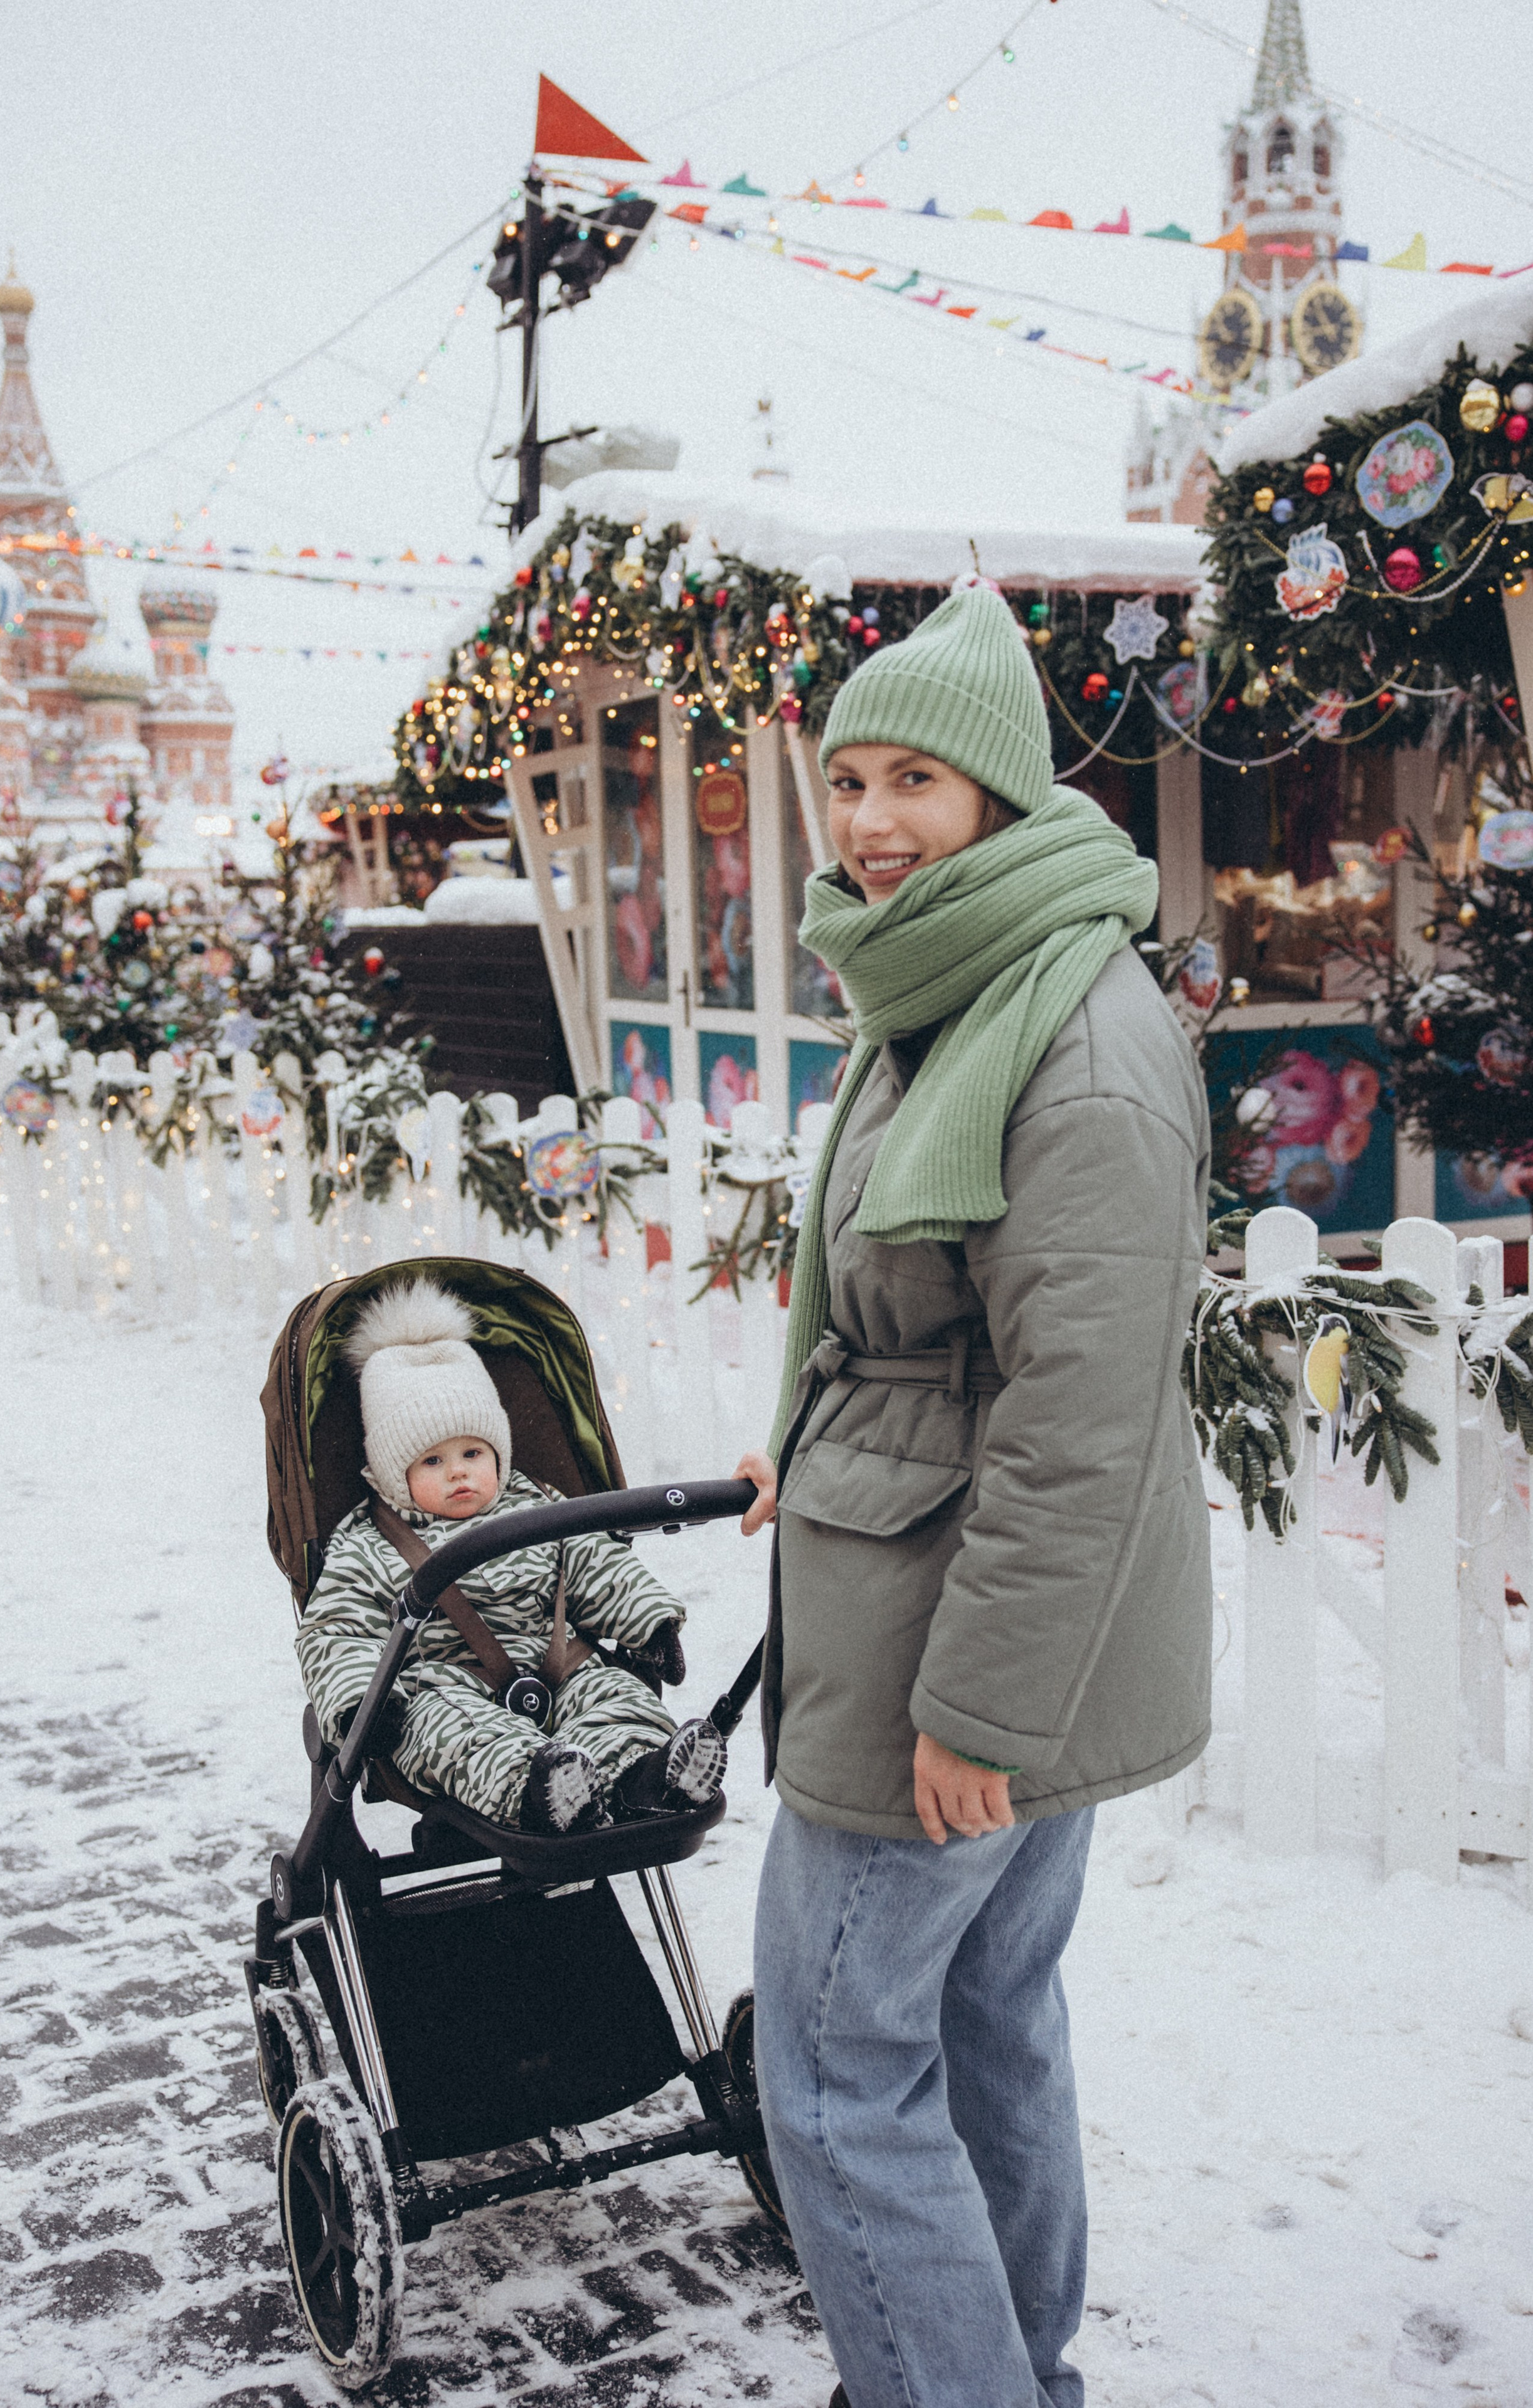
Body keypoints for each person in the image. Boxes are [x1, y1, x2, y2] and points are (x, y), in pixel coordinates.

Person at [733, 584, 1212, 2408]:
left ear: (997, 794)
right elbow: (898, 1313)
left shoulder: (1069, 1040)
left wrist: (979, 1708)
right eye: (847, 777)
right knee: (982, 2017)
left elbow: (1079, 1418)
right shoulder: (948, 980)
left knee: (836, 2070)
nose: (867, 820)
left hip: (959, 1648)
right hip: (943, 1597)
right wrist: (805, 1432)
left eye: (912, 780)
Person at [297, 1279, 726, 1834]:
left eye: (473, 1452)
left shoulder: (537, 1506)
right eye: (432, 1461)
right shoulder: (368, 1542)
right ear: (391, 1472)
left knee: (617, 1693)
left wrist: (651, 1624)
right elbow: (337, 1632)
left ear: (498, 1452)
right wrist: (363, 1705)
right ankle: (541, 1792)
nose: (458, 1471)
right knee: (457, 1732)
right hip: (443, 1686)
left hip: (558, 1668)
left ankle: (646, 1778)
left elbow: (596, 1563)